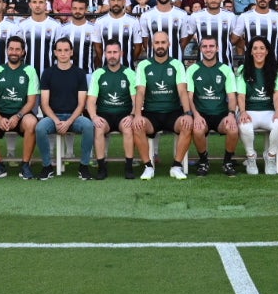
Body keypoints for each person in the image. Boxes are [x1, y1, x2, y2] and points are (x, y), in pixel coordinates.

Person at [181, 33, 245, 176]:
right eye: (205, 46)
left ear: (217, 48)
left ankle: (227, 162)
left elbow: (231, 96)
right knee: (197, 129)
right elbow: (189, 97)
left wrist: (231, 114)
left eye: (211, 46)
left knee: (233, 128)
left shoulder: (226, 70)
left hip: (221, 114)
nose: (208, 49)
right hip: (201, 113)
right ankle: (204, 161)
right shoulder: (192, 69)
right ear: (200, 49)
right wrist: (195, 115)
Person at [133, 30, 191, 179]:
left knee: (187, 124)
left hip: (173, 112)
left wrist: (187, 114)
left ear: (169, 44)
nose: (160, 46)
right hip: (151, 113)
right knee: (137, 125)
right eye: (157, 43)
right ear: (152, 45)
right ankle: (148, 166)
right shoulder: (144, 65)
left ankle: (176, 167)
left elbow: (182, 91)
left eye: (163, 42)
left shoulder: (177, 64)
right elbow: (140, 92)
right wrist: (138, 115)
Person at [35, 38, 96, 180]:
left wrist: (68, 122)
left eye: (66, 50)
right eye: (60, 50)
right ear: (55, 53)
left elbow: (81, 104)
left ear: (71, 52)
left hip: (74, 117)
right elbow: (44, 103)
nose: (63, 54)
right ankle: (47, 166)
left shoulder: (80, 73)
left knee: (88, 125)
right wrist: (56, 121)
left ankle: (84, 166)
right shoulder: (48, 73)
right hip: (52, 117)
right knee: (40, 128)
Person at [0, 37, 40, 180]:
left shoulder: (29, 71)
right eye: (11, 49)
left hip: (22, 114)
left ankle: (25, 165)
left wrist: (18, 116)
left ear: (23, 52)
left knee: (32, 123)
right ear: (7, 51)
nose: (14, 52)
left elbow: (31, 101)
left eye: (17, 49)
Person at [86, 41, 138, 181]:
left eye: (115, 52)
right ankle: (102, 167)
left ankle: (128, 166)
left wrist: (132, 115)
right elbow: (90, 101)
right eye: (109, 52)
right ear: (104, 54)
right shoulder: (98, 73)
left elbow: (136, 100)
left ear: (121, 54)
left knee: (128, 128)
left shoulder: (129, 73)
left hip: (124, 114)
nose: (112, 56)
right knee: (98, 128)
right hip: (104, 115)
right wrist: (94, 116)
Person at [237, 35, 278, 175]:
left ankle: (270, 157)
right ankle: (251, 157)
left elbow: (277, 94)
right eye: (255, 49)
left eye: (262, 48)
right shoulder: (243, 69)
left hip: (268, 111)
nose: (258, 51)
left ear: (267, 51)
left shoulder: (274, 69)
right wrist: (242, 112)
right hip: (249, 110)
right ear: (251, 52)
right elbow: (240, 95)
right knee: (244, 126)